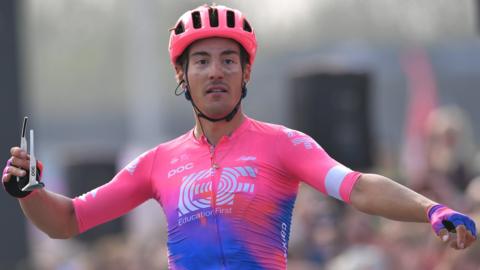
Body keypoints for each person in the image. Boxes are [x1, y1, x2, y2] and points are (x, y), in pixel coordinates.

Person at [2, 4, 477, 270]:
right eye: (201, 61)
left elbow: (357, 186)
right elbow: (67, 220)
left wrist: (430, 209)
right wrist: (29, 193)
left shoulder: (285, 144)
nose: (216, 72)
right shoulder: (156, 163)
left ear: (246, 72)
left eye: (229, 60)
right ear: (183, 76)